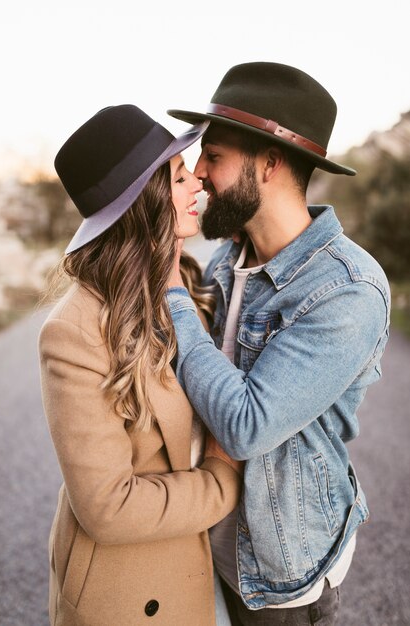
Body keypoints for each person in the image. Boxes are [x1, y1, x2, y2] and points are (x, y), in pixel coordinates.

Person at [165, 62, 391, 625]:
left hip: (279, 575)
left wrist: (171, 294)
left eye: (213, 157)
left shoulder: (348, 290)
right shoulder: (227, 259)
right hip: (206, 550)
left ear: (269, 162)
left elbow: (247, 425)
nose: (197, 174)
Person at [39, 104, 242, 626]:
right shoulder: (75, 331)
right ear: (147, 200)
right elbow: (108, 508)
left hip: (202, 561)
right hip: (131, 588)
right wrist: (223, 480)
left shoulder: (192, 284)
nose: (197, 182)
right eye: (179, 176)